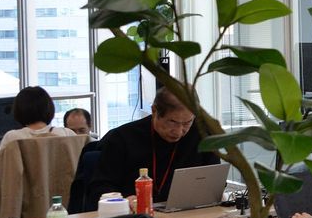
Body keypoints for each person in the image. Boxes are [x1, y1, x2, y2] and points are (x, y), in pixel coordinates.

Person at [88, 87, 218, 203]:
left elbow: (215, 180)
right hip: (135, 215)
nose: (179, 132)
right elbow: (99, 189)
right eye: (172, 122)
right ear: (154, 110)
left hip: (187, 214)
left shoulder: (203, 135)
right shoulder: (121, 138)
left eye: (187, 123)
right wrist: (124, 201)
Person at [0, 86, 77, 151]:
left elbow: (0, 165)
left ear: (18, 110)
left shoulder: (12, 138)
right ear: (49, 107)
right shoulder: (67, 134)